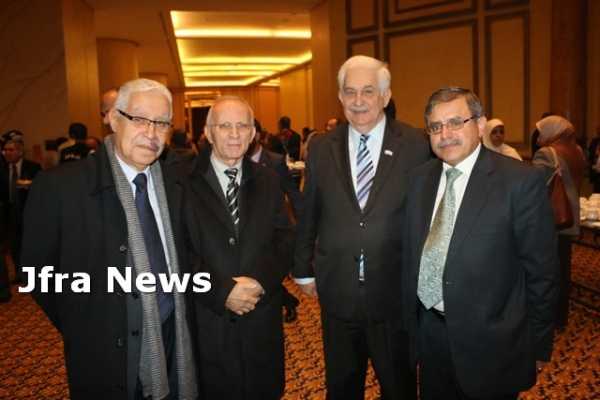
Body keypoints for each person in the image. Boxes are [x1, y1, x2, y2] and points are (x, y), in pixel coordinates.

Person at [21, 78, 198, 399]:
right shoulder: (61, 187)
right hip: (104, 348)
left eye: (161, 123)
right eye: (139, 119)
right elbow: (37, 273)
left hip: (173, 333)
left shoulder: (175, 183)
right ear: (114, 120)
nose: (151, 133)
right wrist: (86, 322)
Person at [402, 86, 560, 399]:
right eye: (435, 126)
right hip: (430, 334)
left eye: (455, 122)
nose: (445, 134)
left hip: (491, 345)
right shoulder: (420, 178)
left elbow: (542, 273)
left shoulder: (519, 181)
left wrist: (540, 343)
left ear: (479, 124)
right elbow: (411, 255)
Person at [293, 55, 431, 399]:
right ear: (340, 97)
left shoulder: (416, 144)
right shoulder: (321, 146)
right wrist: (302, 269)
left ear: (385, 96)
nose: (358, 101)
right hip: (338, 290)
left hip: (394, 291)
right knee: (341, 387)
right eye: (350, 92)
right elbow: (309, 211)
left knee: (398, 387)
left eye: (368, 91)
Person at [183, 95, 294, 400]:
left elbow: (285, 238)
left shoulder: (269, 180)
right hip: (209, 318)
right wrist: (223, 291)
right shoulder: (180, 182)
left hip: (260, 315)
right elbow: (177, 251)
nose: (234, 134)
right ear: (208, 132)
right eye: (224, 126)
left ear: (253, 133)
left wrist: (259, 282)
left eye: (242, 126)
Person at [532, 115, 585, 330]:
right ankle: (560, 317)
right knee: (563, 270)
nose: (539, 136)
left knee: (547, 271)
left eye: (541, 131)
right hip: (569, 217)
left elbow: (534, 186)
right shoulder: (578, 150)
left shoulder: (547, 153)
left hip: (551, 219)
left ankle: (548, 317)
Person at [248, 118, 302, 322]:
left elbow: (293, 194)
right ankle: (288, 301)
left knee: (267, 272)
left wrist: (303, 229)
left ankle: (285, 303)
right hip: (245, 233)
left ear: (256, 135)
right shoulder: (234, 160)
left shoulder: (275, 161)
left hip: (270, 233)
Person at [0, 138, 41, 285]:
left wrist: (31, 185)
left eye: (10, 150)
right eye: (5, 150)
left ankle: (35, 274)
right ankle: (20, 273)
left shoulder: (33, 167)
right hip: (10, 212)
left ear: (20, 152)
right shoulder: (2, 169)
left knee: (30, 243)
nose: (6, 153)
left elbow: (41, 187)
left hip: (28, 210)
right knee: (14, 245)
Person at [587, 126, 600, 193]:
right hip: (596, 171)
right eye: (598, 130)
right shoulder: (594, 141)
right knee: (596, 191)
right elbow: (590, 153)